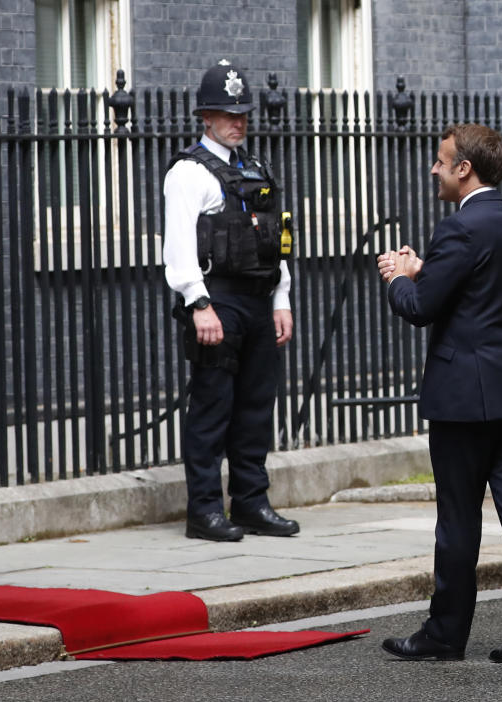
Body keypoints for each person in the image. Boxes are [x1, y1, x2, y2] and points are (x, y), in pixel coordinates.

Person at [376, 123, 502, 663]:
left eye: (441, 160)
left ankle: (445, 633)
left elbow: (421, 308)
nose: (433, 169)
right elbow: (478, 289)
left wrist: (397, 276)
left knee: (458, 517)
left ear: (465, 169)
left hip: (465, 400)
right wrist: (424, 270)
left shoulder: (458, 228)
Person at [162, 60, 299, 542]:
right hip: (217, 299)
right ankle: (203, 510)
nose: (236, 121)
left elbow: (277, 241)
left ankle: (250, 502)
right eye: (226, 113)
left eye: (241, 113)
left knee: (256, 407)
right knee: (212, 408)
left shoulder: (256, 169)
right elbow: (178, 247)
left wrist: (281, 298)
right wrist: (199, 305)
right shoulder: (187, 173)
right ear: (206, 116)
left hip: (259, 300)